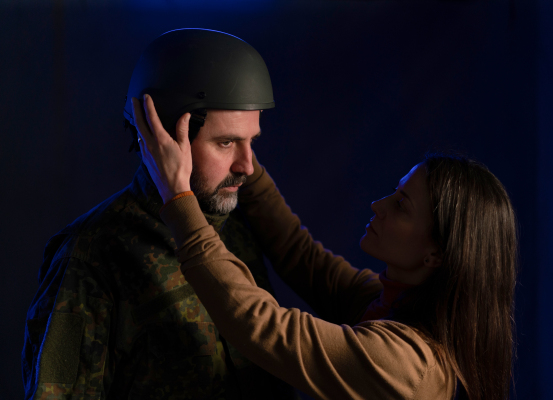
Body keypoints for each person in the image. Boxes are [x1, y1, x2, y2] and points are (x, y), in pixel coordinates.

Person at [134, 94, 517, 400]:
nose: (377, 205)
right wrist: (239, 158)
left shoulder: (407, 366)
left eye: (401, 205)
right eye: (394, 193)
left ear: (435, 255)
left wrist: (178, 196)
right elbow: (302, 257)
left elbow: (261, 325)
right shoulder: (394, 305)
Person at [22, 29, 297, 399]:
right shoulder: (91, 254)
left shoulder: (237, 228)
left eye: (253, 142)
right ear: (163, 137)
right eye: (226, 143)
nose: (248, 166)